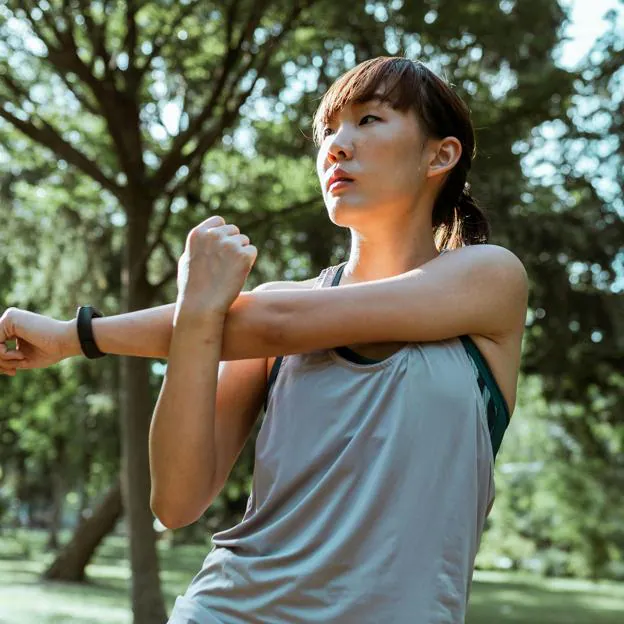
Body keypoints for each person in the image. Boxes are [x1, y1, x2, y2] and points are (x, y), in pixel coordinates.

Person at [0, 57, 528, 622]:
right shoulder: (263, 313)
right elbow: (176, 502)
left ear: (440, 154)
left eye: (369, 120)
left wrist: (74, 335)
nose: (336, 146)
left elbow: (274, 322)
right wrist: (199, 315)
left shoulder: (489, 279)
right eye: (328, 130)